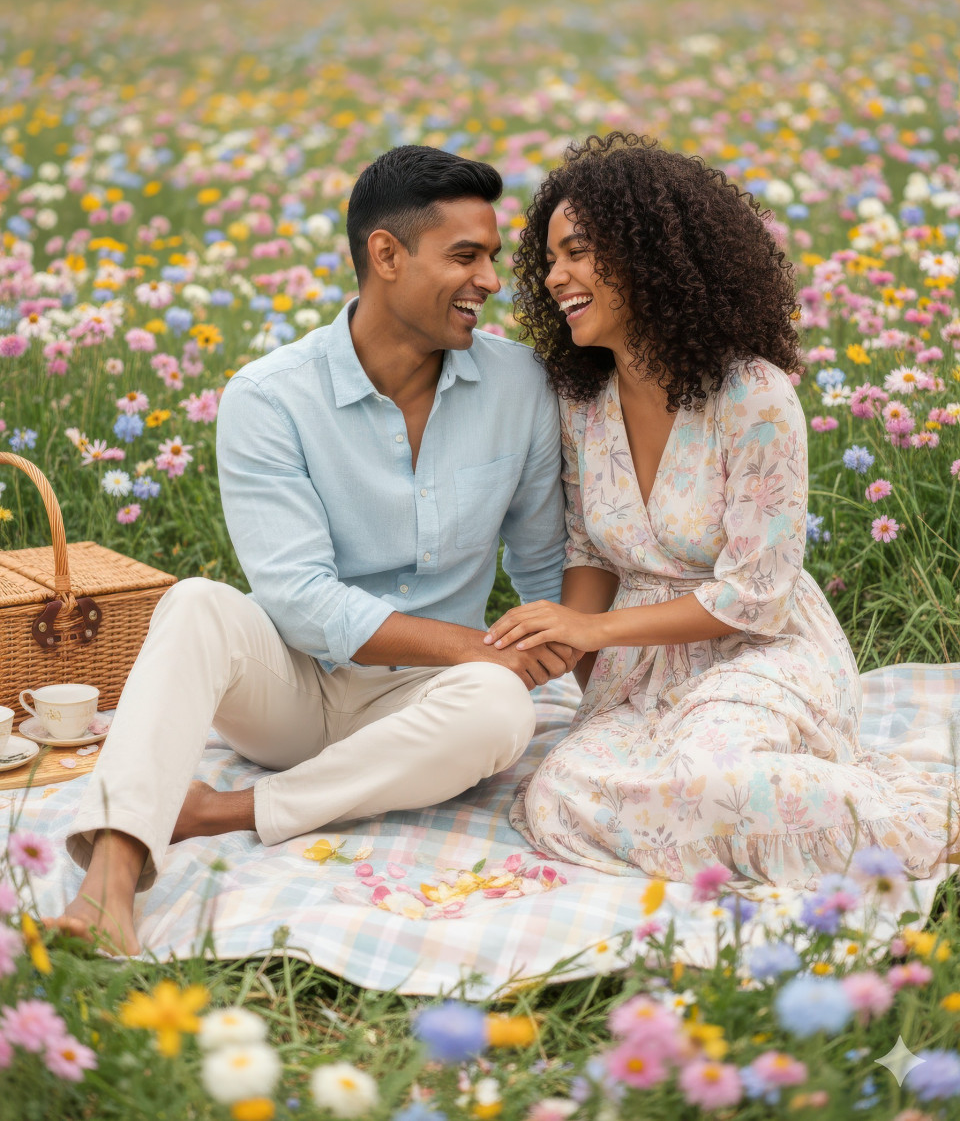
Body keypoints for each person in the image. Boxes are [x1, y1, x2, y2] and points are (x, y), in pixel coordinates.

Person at [51, 145, 574, 955]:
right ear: (387, 254)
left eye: (494, 257)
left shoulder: (522, 387)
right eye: (465, 256)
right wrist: (479, 647)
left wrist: (586, 672)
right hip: (292, 692)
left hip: (428, 703)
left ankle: (217, 812)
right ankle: (110, 880)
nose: (491, 281)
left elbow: (544, 571)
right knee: (195, 602)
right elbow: (298, 597)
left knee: (502, 707)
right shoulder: (269, 397)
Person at [484, 132, 957, 887]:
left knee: (710, 777)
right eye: (548, 260)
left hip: (761, 655)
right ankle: (765, 823)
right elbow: (591, 551)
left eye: (576, 251)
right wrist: (564, 648)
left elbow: (755, 597)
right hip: (636, 672)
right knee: (558, 798)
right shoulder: (582, 403)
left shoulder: (755, 397)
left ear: (648, 254)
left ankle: (921, 817)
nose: (555, 276)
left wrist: (592, 629)